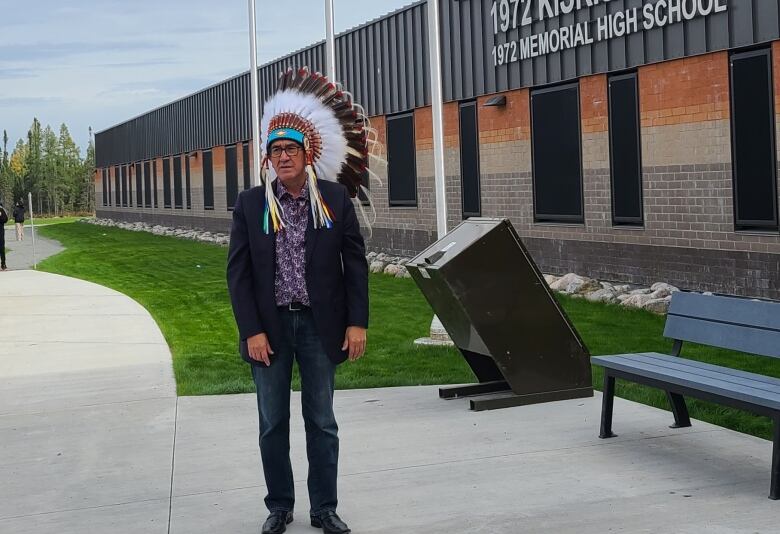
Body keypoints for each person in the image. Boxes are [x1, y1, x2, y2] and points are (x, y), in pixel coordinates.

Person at [227, 67, 374, 534]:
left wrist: (357, 323)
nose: (283, 156)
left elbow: (355, 265)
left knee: (322, 421)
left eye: (290, 148)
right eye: (276, 150)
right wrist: (251, 329)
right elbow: (239, 274)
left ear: (306, 154)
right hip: (268, 330)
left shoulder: (334, 199)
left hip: (319, 326)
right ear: (267, 160)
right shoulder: (250, 205)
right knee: (272, 424)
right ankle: (280, 506)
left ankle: (324, 508)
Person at [0, 201, 8, 270]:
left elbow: (5, 219)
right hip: (1, 231)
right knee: (1, 248)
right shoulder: (2, 210)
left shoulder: (1, 210)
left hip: (1, 232)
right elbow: (5, 219)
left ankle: (3, 263)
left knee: (2, 248)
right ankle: (3, 264)